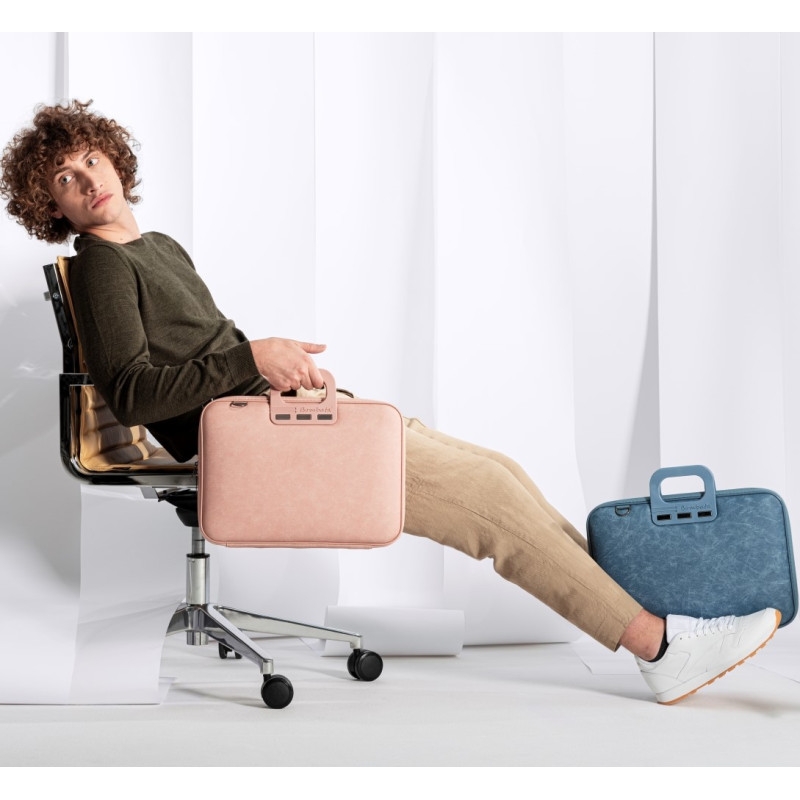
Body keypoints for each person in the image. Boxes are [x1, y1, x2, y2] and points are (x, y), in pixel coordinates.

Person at [0, 99, 781, 705]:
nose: (88, 180)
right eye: (65, 179)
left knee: (500, 472)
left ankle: (655, 621)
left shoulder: (158, 247)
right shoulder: (102, 267)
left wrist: (285, 375)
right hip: (246, 442)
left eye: (91, 159)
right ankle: (661, 650)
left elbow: (208, 349)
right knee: (487, 503)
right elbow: (134, 392)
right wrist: (252, 358)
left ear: (115, 157)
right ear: (52, 207)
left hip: (280, 418)